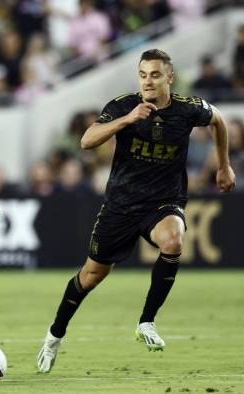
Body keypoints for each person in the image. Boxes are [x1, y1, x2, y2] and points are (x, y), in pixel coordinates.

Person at [37, 49, 236, 373]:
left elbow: (218, 119)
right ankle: (54, 334)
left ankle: (146, 321)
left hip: (163, 201)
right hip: (121, 205)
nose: (148, 81)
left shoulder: (187, 109)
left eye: (155, 75)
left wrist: (224, 166)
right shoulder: (122, 106)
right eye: (143, 75)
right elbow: (87, 140)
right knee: (90, 277)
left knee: (173, 240)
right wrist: (127, 120)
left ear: (169, 77)